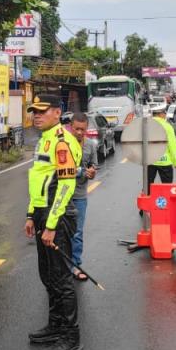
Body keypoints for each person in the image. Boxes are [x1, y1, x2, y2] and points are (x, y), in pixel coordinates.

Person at [24, 95, 83, 350]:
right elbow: (40, 182)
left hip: (57, 217)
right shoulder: (44, 139)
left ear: (57, 113)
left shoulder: (62, 142)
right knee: (47, 275)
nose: (36, 115)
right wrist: (29, 215)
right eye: (33, 112)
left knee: (61, 278)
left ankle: (71, 338)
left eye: (42, 111)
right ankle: (56, 326)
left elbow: (66, 186)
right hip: (42, 214)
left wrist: (50, 225)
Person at [66, 112, 97, 282]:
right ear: (71, 127)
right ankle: (62, 266)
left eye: (82, 130)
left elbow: (94, 165)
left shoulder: (90, 145)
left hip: (79, 195)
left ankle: (76, 265)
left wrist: (91, 172)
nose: (79, 132)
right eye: (76, 129)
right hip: (61, 194)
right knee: (59, 233)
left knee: (77, 233)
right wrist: (79, 171)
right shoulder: (63, 144)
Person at [148, 103, 176, 185]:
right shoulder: (167, 127)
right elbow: (173, 146)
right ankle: (165, 197)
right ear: (160, 114)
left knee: (148, 187)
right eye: (164, 113)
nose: (165, 115)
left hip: (150, 161)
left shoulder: (146, 125)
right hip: (165, 161)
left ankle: (148, 197)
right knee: (167, 187)